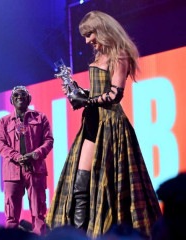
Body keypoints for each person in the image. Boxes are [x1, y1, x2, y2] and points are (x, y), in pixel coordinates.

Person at [46, 11, 161, 238]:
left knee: (111, 184)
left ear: (102, 29)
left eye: (90, 34)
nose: (88, 41)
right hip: (92, 121)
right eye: (86, 36)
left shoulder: (120, 55)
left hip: (111, 125)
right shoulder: (99, 57)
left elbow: (115, 95)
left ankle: (112, 232)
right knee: (81, 182)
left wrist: (86, 100)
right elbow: (100, 92)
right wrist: (79, 92)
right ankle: (80, 233)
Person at [0, 85, 54, 235]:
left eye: (23, 96)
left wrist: (34, 154)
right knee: (11, 216)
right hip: (12, 171)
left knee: (38, 213)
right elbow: (0, 143)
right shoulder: (4, 121)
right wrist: (17, 157)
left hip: (35, 169)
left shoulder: (40, 118)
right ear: (12, 101)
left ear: (28, 99)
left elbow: (48, 140)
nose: (20, 98)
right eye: (16, 96)